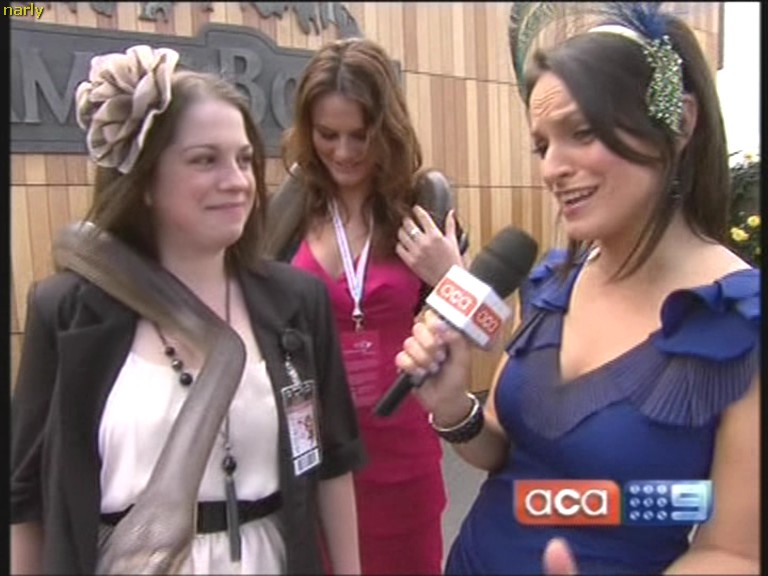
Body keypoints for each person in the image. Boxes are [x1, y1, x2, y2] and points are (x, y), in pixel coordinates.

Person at [394, 4, 760, 575]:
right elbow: (508, 455)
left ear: (680, 121)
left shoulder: (742, 320)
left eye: (582, 133)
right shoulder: (552, 283)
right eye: (542, 146)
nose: (552, 169)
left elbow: (733, 551)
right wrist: (453, 407)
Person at [10, 45, 366, 575]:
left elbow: (333, 463)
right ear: (145, 183)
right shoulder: (66, 312)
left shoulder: (296, 302)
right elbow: (26, 498)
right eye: (205, 160)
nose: (237, 180)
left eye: (243, 159)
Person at [261, 38, 468, 575]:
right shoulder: (287, 213)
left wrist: (450, 276)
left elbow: (483, 331)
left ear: (387, 129)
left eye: (360, 135)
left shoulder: (423, 207)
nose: (344, 152)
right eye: (327, 135)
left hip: (402, 456)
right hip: (313, 455)